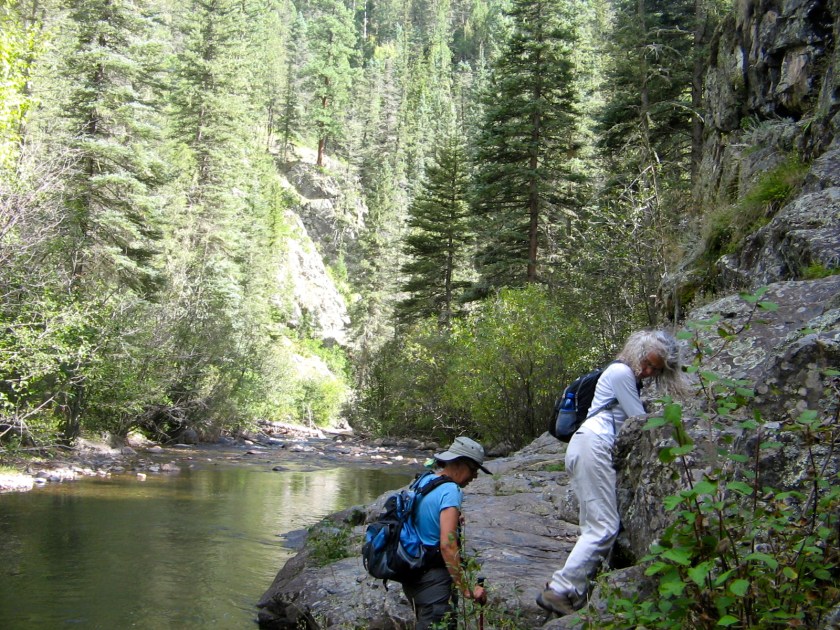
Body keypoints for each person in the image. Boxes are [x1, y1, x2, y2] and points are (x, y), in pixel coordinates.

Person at [537, 329, 691, 616]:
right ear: (637, 351)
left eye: (654, 370)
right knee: (604, 527)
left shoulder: (624, 375)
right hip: (593, 445)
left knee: (592, 525)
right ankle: (559, 590)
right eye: (646, 363)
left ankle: (575, 593)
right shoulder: (620, 372)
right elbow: (640, 421)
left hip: (586, 446)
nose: (646, 372)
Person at [402, 436, 490, 629]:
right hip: (434, 581)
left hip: (413, 574)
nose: (474, 476)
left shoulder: (426, 480)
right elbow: (447, 545)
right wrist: (466, 589)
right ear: (458, 463)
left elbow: (422, 518)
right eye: (473, 469)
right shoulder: (451, 490)